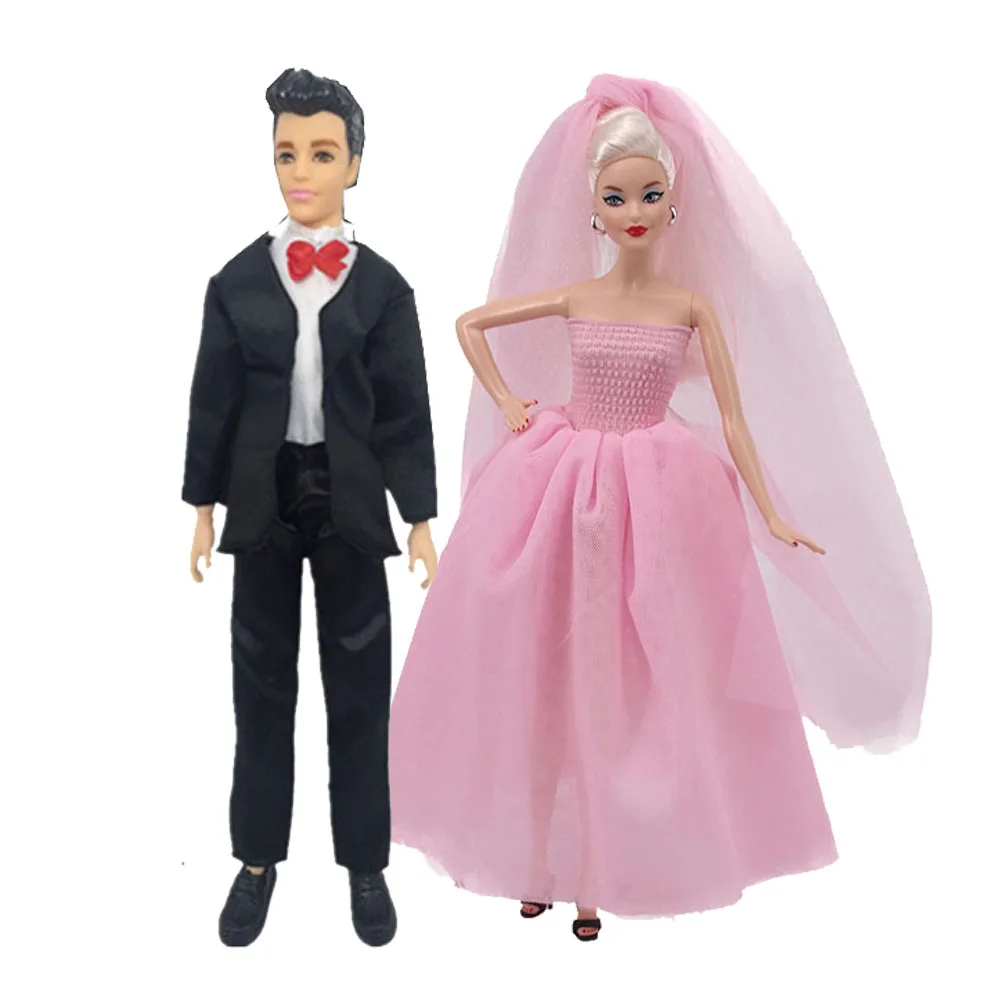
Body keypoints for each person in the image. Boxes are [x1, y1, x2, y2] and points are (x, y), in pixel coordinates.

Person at [388, 75, 930, 942]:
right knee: (543, 677)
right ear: (591, 208)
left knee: (625, 687)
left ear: (673, 204)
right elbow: (469, 325)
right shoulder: (578, 295)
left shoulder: (690, 308)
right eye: (615, 197)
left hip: (652, 496)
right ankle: (535, 860)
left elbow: (737, 421)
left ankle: (595, 874)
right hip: (557, 488)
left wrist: (771, 512)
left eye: (648, 194)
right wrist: (510, 400)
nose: (632, 211)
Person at [182, 67, 438, 948]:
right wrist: (202, 505)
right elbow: (212, 401)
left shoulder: (385, 289)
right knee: (260, 686)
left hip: (351, 498)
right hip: (262, 497)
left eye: (322, 154)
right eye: (287, 153)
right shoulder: (236, 282)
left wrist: (419, 516)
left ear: (355, 165)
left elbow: (404, 410)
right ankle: (256, 859)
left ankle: (365, 861)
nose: (302, 171)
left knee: (360, 687)